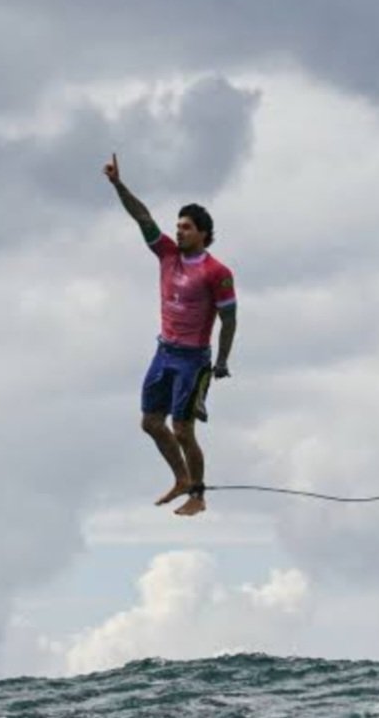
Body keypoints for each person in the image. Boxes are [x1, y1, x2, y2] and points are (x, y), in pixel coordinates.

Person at [103, 153, 237, 517]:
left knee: (182, 429)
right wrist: (118, 185)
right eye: (178, 226)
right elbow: (142, 216)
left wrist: (222, 361)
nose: (179, 232)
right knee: (150, 423)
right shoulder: (166, 254)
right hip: (164, 352)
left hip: (193, 360)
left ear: (204, 234)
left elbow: (229, 319)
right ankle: (180, 479)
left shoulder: (217, 271)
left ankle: (198, 494)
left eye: (187, 228)